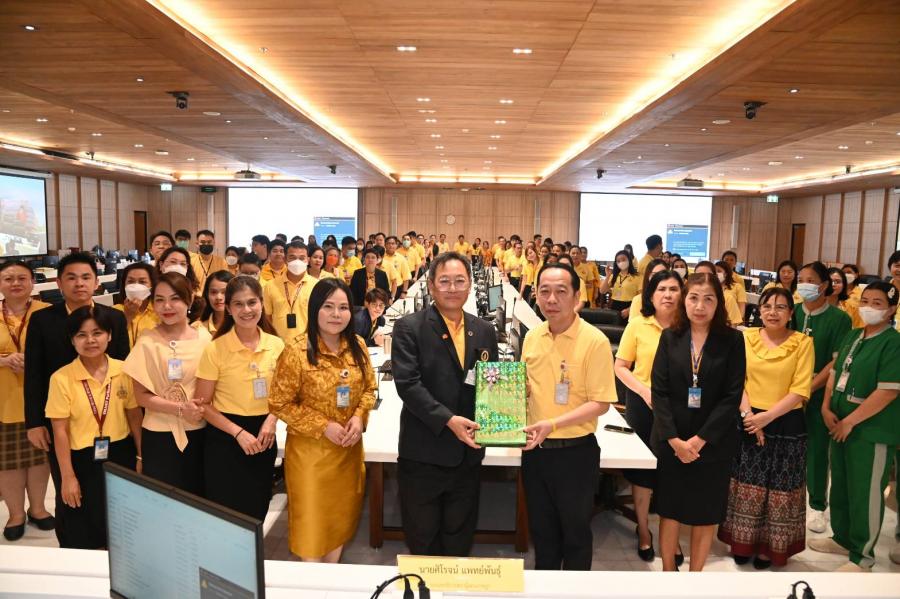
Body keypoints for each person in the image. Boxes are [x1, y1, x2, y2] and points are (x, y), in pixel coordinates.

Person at [392, 252, 499, 556]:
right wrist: (448, 420)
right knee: (422, 538)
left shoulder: (484, 330)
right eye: (445, 281)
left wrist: (511, 396)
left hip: (468, 454)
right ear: (431, 285)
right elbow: (408, 385)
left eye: (459, 281)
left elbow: (490, 383)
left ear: (470, 285)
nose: (452, 288)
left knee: (459, 537)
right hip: (424, 451)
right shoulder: (409, 328)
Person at [24, 252, 129, 546]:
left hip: (110, 422)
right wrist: (34, 422)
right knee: (69, 488)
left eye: (86, 277)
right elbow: (34, 373)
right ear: (59, 283)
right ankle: (74, 548)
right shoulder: (42, 320)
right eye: (71, 278)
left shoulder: (114, 317)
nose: (79, 283)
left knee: (111, 493)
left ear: (97, 282)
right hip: (60, 420)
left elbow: (124, 367)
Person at [269, 278, 377, 562]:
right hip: (311, 458)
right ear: (315, 308)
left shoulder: (357, 345)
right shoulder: (296, 351)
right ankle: (314, 576)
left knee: (340, 523)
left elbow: (369, 389)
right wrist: (323, 426)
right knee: (312, 530)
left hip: (348, 452)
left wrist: (359, 417)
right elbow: (279, 403)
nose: (336, 314)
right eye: (328, 306)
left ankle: (330, 572)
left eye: (343, 307)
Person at [519, 262, 616, 571]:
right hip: (535, 452)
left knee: (575, 536)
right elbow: (528, 387)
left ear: (577, 296)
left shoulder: (595, 341)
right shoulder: (533, 336)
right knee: (542, 533)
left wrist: (553, 424)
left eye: (561, 291)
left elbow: (601, 403)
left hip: (574, 454)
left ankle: (574, 589)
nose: (551, 299)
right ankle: (545, 587)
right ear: (536, 295)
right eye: (544, 291)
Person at [650, 273, 745, 571]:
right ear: (684, 301)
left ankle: (696, 577)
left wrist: (700, 439)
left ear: (719, 303)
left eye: (708, 299)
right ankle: (668, 571)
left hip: (713, 443)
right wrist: (674, 440)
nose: (700, 306)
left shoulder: (733, 340)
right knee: (670, 510)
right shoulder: (670, 337)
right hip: (673, 440)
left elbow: (732, 396)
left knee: (706, 512)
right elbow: (659, 391)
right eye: (693, 298)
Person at [718, 288, 813, 568]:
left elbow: (800, 390)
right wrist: (750, 416)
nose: (773, 312)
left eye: (781, 307)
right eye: (767, 306)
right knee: (747, 485)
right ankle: (742, 542)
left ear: (791, 313)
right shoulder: (745, 337)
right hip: (747, 418)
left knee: (780, 490)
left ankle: (769, 549)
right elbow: (737, 381)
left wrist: (766, 418)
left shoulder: (803, 342)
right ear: (759, 310)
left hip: (786, 422)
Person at [809, 281, 900, 571]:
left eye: (877, 303)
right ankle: (843, 538)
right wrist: (825, 407)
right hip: (839, 424)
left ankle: (862, 556)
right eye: (865, 301)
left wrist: (850, 421)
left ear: (892, 309)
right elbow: (835, 373)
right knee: (841, 486)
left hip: (869, 431)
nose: (869, 307)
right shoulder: (854, 335)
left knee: (865, 492)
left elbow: (887, 392)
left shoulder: (893, 343)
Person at [46, 306, 141, 549]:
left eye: (97, 333)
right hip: (81, 459)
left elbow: (134, 417)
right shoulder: (61, 378)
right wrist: (67, 476)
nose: (90, 340)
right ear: (72, 340)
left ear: (109, 335)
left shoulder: (124, 371)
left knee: (122, 523)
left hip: (121, 454)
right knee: (83, 523)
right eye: (81, 335)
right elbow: (60, 431)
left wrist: (141, 456)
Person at [195, 276, 284, 521]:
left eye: (252, 302)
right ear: (228, 308)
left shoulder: (276, 345)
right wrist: (238, 433)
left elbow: (285, 393)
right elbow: (202, 404)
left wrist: (271, 420)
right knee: (227, 514)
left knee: (257, 509)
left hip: (264, 436)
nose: (246, 310)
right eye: (238, 304)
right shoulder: (215, 349)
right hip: (226, 437)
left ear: (262, 303)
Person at [614, 270, 683, 564]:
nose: (667, 295)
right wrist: (644, 392)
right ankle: (643, 529)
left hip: (679, 409)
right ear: (651, 295)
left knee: (673, 472)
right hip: (644, 404)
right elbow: (620, 367)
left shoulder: (689, 326)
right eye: (661, 289)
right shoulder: (638, 325)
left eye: (673, 289)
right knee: (643, 471)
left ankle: (672, 537)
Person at [123, 273, 212, 495]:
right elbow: (141, 396)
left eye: (175, 298)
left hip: (200, 430)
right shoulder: (147, 341)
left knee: (198, 498)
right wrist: (180, 409)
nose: (167, 306)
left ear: (189, 300)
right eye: (160, 300)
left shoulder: (205, 339)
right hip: (158, 433)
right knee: (163, 499)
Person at [791, 261, 852, 533]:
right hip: (787, 389)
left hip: (819, 391)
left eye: (810, 280)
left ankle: (817, 505)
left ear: (824, 285)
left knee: (817, 451)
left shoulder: (839, 319)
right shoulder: (793, 311)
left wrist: (807, 389)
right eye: (801, 279)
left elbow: (836, 362)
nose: (803, 284)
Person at [0, 262, 53, 541]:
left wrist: (33, 361)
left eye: (22, 278)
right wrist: (4, 360)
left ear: (33, 281)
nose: (15, 283)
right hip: (4, 401)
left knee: (39, 458)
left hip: (42, 399)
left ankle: (38, 508)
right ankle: (16, 514)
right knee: (8, 462)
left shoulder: (47, 313)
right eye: (8, 278)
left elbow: (60, 351)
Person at [263, 241, 314, 343]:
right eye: (292, 257)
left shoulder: (316, 285)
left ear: (308, 260)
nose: (297, 262)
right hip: (279, 344)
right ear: (285, 259)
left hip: (307, 344)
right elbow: (267, 318)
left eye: (302, 258)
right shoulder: (270, 286)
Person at [114, 262, 159, 348]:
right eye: (130, 281)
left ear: (152, 285)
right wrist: (127, 317)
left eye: (142, 282)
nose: (135, 286)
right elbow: (111, 343)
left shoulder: (160, 311)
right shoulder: (113, 311)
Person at [599, 250, 639, 320]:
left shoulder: (637, 277)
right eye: (618, 261)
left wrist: (629, 309)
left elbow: (641, 297)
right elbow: (602, 291)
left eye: (623, 259)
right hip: (614, 305)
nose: (621, 262)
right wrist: (607, 276)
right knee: (614, 326)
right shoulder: (614, 276)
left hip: (630, 305)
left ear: (629, 260)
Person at [199, 270, 233, 336]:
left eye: (225, 292)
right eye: (213, 292)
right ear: (207, 295)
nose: (218, 297)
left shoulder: (245, 326)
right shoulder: (198, 328)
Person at [715, 261, 745, 327]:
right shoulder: (712, 288)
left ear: (726, 274)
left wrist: (735, 324)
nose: (716, 274)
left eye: (719, 271)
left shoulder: (737, 287)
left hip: (731, 322)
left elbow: (741, 310)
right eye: (714, 271)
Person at [721, 250, 747, 316]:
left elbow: (742, 299)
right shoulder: (718, 276)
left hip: (733, 312)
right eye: (726, 260)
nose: (729, 262)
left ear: (735, 263)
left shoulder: (739, 279)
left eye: (732, 260)